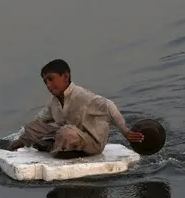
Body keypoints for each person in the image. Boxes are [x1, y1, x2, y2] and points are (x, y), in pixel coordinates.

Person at [8, 59, 144, 156]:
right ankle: (55, 148)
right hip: (68, 138)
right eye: (45, 82)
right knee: (32, 126)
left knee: (66, 132)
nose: (48, 85)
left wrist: (126, 132)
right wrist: (23, 139)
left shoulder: (82, 95)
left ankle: (56, 150)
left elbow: (109, 106)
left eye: (51, 79)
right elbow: (39, 120)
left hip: (91, 144)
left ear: (66, 76)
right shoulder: (54, 102)